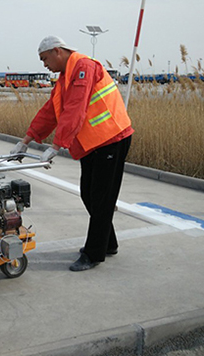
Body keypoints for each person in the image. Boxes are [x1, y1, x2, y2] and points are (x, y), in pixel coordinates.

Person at [11, 36, 133, 271]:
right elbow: (51, 112)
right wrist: (24, 141)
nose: (44, 65)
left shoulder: (84, 68)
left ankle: (94, 253)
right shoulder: (65, 78)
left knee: (101, 198)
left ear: (58, 51)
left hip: (112, 139)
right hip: (92, 144)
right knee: (89, 195)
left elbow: (75, 109)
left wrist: (57, 146)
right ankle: (109, 243)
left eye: (45, 59)